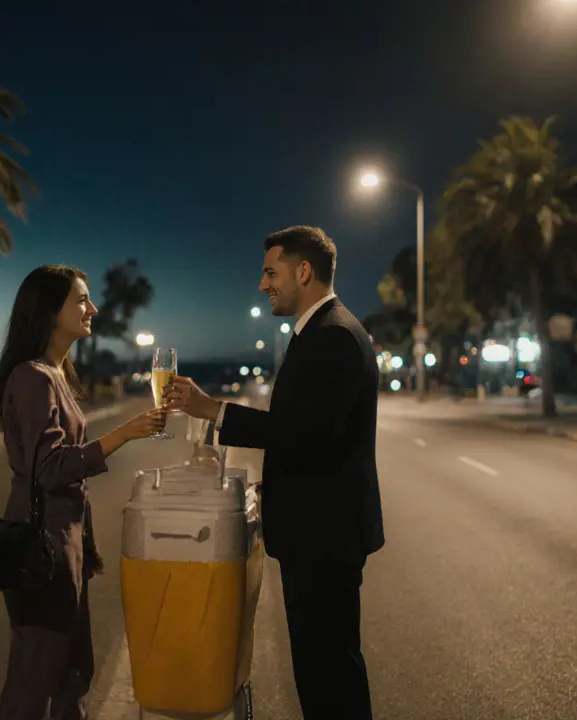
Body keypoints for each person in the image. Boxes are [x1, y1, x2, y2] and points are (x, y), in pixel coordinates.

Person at [164, 226, 384, 719]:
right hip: (318, 533)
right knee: (321, 669)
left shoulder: (334, 336)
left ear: (302, 271)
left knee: (330, 675)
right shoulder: (322, 331)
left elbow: (305, 434)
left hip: (324, 537)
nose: (263, 284)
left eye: (270, 271)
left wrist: (214, 410)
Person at [0, 264, 167, 720]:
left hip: (63, 544)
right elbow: (48, 469)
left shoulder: (54, 373)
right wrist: (123, 434)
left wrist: (84, 548)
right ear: (51, 311)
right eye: (81, 300)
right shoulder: (33, 377)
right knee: (35, 675)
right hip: (39, 548)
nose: (93, 308)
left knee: (72, 671)